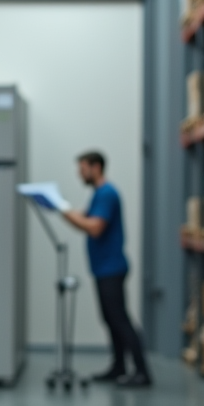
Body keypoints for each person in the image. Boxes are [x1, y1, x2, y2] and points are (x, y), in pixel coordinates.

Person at [57, 151, 152, 388]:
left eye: (83, 169)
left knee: (120, 320)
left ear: (96, 167)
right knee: (109, 319)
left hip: (111, 268)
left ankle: (142, 372)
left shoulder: (107, 193)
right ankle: (119, 366)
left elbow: (95, 227)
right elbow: (82, 215)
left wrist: (64, 213)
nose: (80, 174)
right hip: (103, 268)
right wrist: (61, 207)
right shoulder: (99, 194)